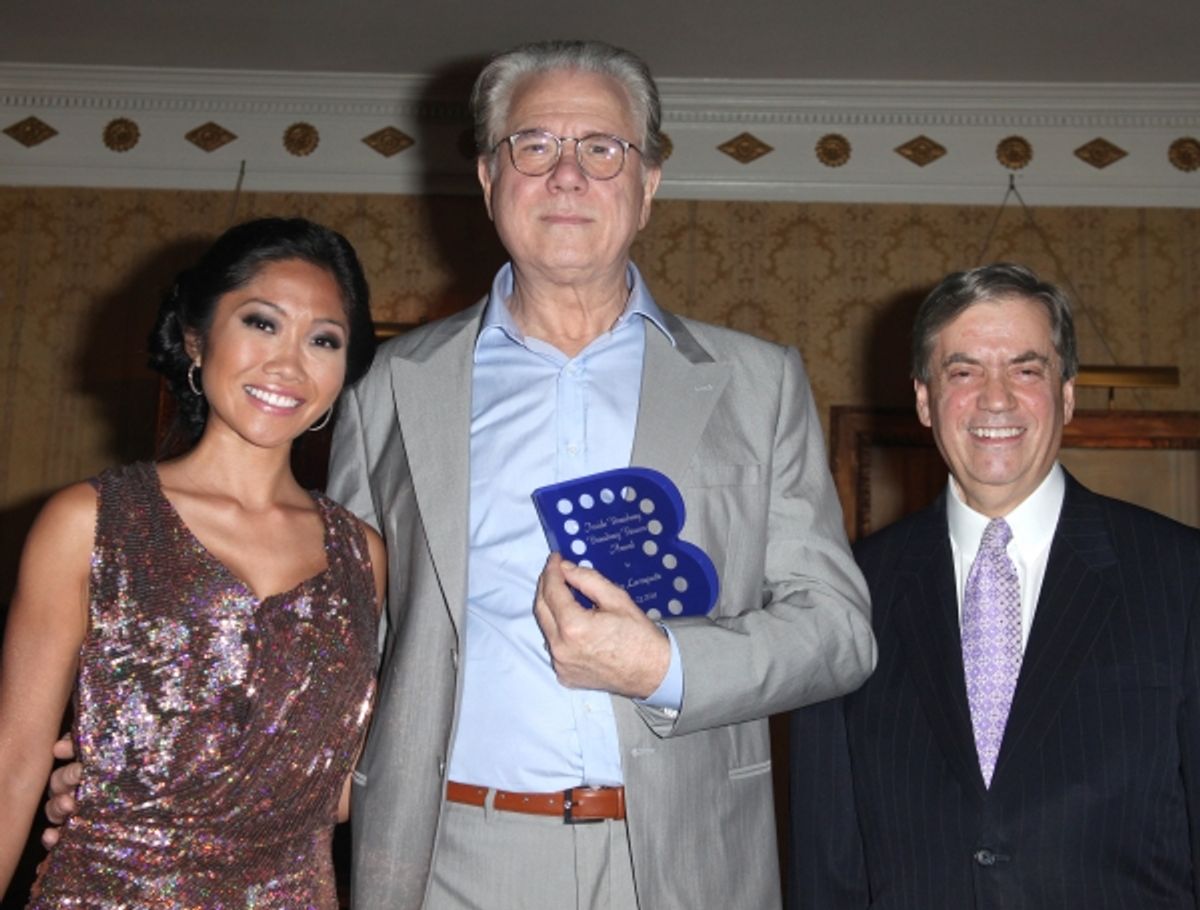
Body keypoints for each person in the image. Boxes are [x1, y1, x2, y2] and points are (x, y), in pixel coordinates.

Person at [324, 39, 874, 910]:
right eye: (534, 145)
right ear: (488, 178)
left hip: (681, 864)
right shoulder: (388, 387)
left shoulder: (758, 383)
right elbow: (339, 636)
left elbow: (838, 632)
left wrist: (664, 664)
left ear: (649, 184)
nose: (567, 174)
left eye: (602, 148)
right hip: (449, 861)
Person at [1, 217, 386, 907]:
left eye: (323, 340)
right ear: (195, 338)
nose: (289, 364)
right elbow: (13, 764)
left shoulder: (363, 555)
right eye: (262, 324)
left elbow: (344, 789)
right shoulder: (90, 522)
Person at [788, 263, 1200, 908]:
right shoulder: (844, 593)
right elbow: (826, 861)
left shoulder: (1183, 576)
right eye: (964, 372)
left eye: (1026, 370)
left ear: (1067, 394)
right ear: (924, 400)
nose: (996, 399)